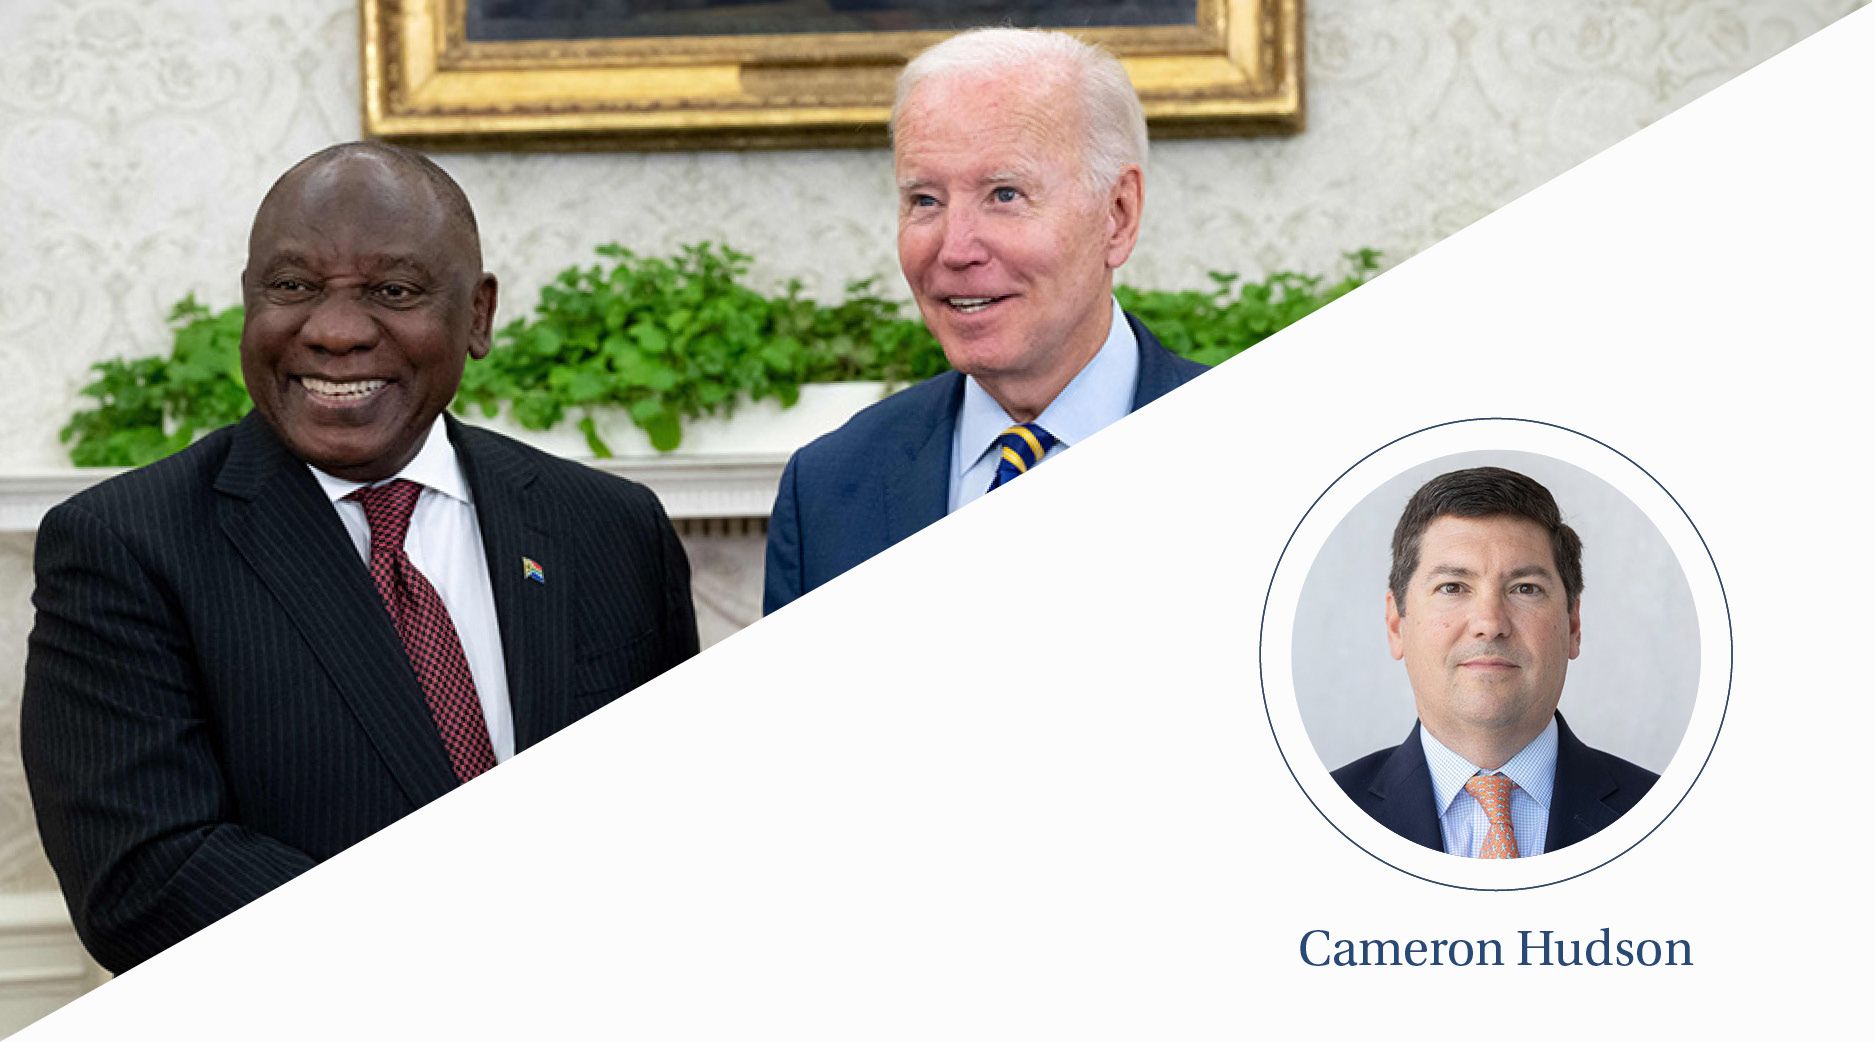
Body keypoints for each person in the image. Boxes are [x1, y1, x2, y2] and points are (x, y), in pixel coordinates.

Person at [20, 142, 699, 972]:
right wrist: (472, 971)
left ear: (477, 316)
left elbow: (673, 819)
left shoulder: (608, 529)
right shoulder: (126, 545)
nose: (334, 331)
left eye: (393, 291)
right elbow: (145, 876)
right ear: (249, 302)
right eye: (293, 287)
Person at [762, 28, 1206, 613]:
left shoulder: (1259, 452)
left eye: (1004, 194)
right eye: (925, 200)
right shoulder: (828, 488)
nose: (955, 249)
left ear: (1117, 216)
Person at [1332, 467, 1657, 858]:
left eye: (1525, 589)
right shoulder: (1319, 817)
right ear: (1396, 624)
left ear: (1572, 624)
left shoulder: (1665, 814)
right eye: (1452, 587)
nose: (1490, 624)